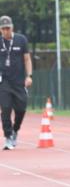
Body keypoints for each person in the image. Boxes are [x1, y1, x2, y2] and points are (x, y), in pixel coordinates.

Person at [0, 16, 32, 150]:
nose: (6, 31)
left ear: (12, 27)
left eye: (8, 28)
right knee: (5, 109)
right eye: (3, 29)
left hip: (19, 81)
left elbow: (27, 59)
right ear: (0, 29)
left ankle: (15, 130)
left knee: (21, 108)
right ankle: (8, 137)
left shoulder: (21, 39)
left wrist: (29, 76)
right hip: (3, 81)